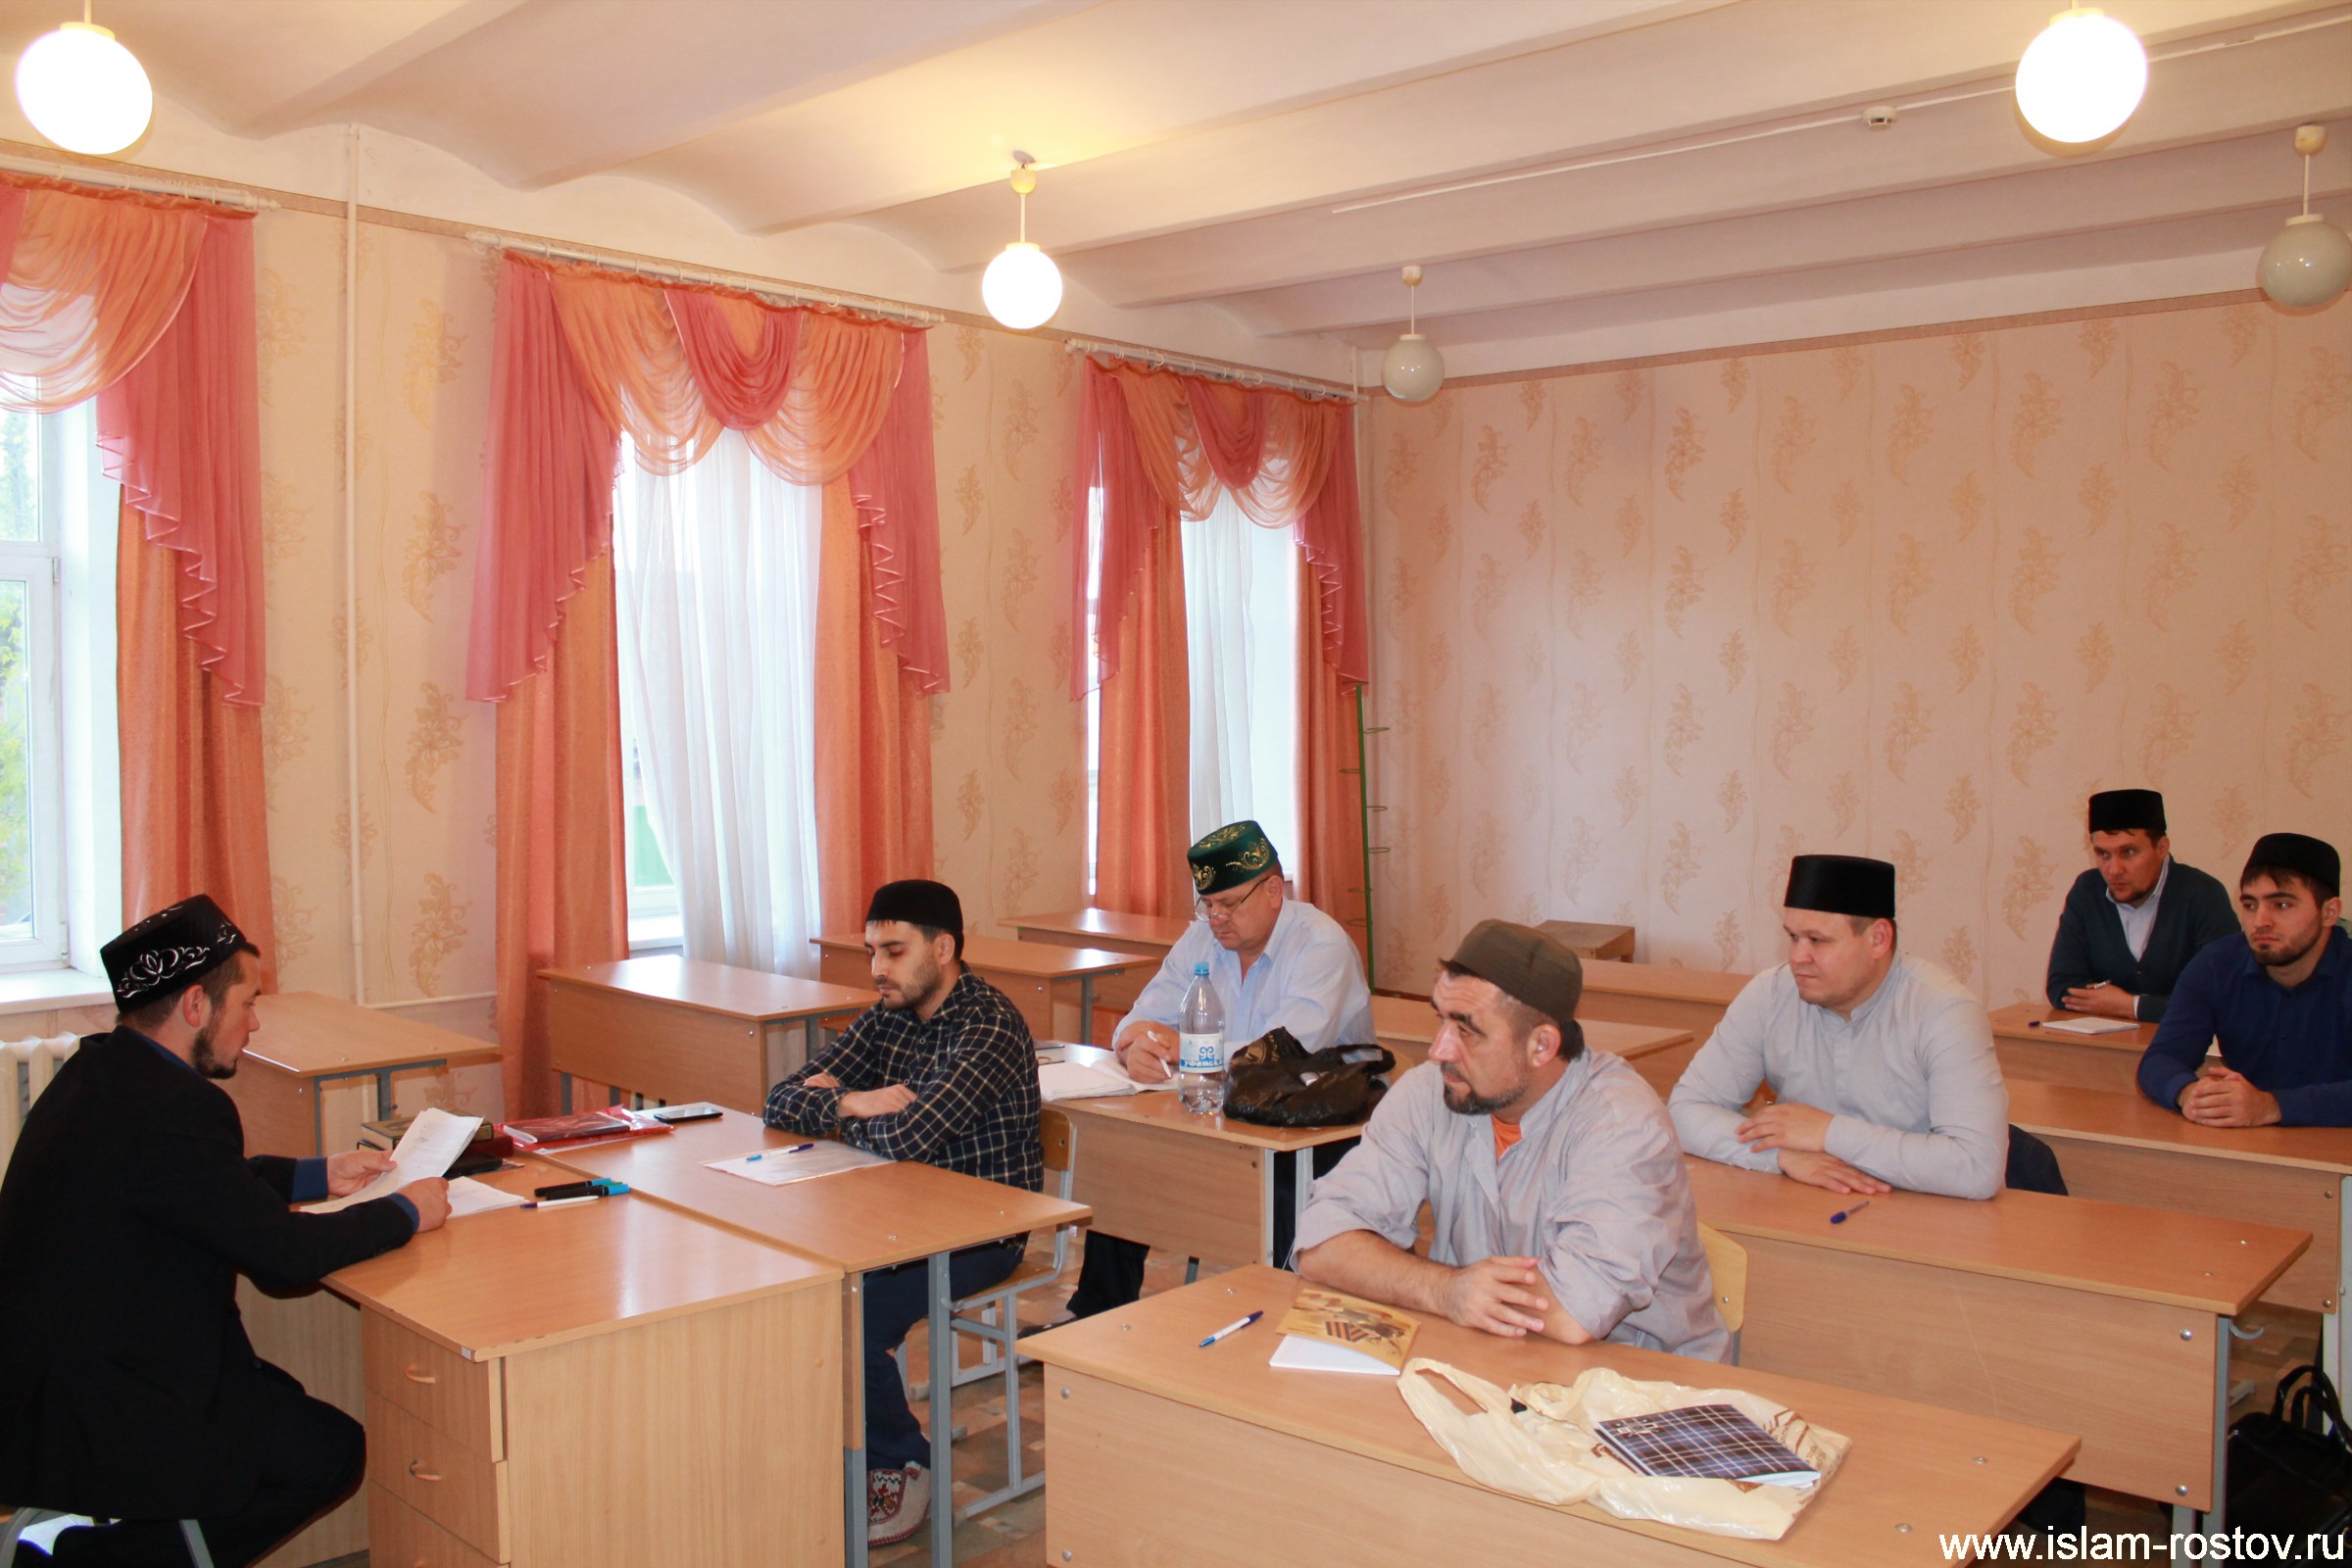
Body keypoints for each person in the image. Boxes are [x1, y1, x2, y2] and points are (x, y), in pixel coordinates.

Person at [0, 896, 450, 1568]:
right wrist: (407, 1210)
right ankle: (94, 1561)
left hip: (49, 1380)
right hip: (103, 1401)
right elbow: (285, 1258)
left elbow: (197, 1186)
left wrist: (317, 1173)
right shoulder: (176, 1107)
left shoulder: (104, 1071)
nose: (254, 1022)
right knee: (328, 1453)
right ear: (194, 1005)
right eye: (246, 1003)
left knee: (282, 1407)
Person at [1295, 920, 1726, 1360]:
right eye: (1441, 1019)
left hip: (1646, 1381)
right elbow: (1321, 1243)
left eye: (1467, 1030)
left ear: (1541, 1046)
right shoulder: (1430, 1091)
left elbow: (1571, 1313)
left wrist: (1441, 1288)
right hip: (1495, 1359)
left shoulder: (1622, 1125)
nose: (1438, 1050)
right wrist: (1446, 1290)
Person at [762, 879, 1041, 1548]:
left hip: (979, 1231)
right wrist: (853, 1102)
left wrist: (841, 1113)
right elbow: (777, 1100)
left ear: (943, 949)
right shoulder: (889, 1013)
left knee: (852, 1319)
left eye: (893, 951)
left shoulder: (987, 1025)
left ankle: (903, 1462)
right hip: (893, 1213)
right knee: (796, 1289)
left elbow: (912, 1135)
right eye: (872, 952)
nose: (877, 969)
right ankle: (850, 1442)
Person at [1061, 819, 1373, 1319]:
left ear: (1274, 891)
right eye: (1207, 906)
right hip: (1225, 1113)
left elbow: (1285, 1051)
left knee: (1277, 1188)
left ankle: (1283, 1321)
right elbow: (1138, 1018)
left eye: (1229, 904)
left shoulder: (1320, 945)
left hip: (1317, 1124)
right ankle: (1096, 1314)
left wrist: (1184, 1049)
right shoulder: (1201, 941)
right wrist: (1134, 1046)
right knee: (1130, 1158)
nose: (1217, 919)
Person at [1670, 854, 2009, 1200]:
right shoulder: (1771, 994)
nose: (1798, 957)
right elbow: (1684, 1111)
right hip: (1804, 1203)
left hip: (1922, 1211)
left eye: (1817, 940)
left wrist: (1829, 1133)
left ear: (1878, 939)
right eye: (1793, 937)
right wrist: (1781, 1157)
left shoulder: (1944, 1011)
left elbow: (1977, 1167)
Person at [2138, 833, 2352, 1128]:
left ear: (2329, 913)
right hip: (2247, 1139)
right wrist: (2188, 1094)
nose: (2260, 921)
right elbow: (2161, 1058)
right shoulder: (2217, 964)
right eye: (2250, 905)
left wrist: (2273, 1106)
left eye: (2281, 905)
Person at [2044, 788, 2238, 1023]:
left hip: (2183, 1043)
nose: (2114, 869)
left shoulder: (2203, 894)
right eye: (2103, 854)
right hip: (2105, 1042)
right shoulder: (2087, 890)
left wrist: (2133, 1006)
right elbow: (2061, 985)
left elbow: (2222, 994)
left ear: (2162, 848)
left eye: (2128, 852)